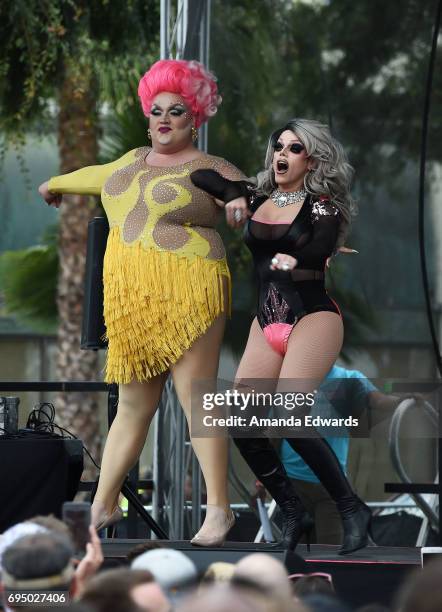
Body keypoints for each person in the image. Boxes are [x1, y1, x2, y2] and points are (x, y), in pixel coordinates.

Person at [38, 59, 245, 546]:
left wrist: (240, 204)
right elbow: (93, 175)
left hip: (190, 286)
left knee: (198, 398)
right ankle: (102, 505)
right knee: (132, 404)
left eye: (177, 110)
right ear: (147, 118)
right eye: (157, 111)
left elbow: (244, 195)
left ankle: (219, 511)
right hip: (130, 299)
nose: (165, 119)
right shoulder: (130, 160)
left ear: (195, 118)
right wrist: (56, 184)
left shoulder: (211, 167)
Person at [190, 118, 371, 555]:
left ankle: (350, 508)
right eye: (278, 147)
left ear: (312, 159)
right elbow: (202, 176)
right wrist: (234, 194)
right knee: (242, 418)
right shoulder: (259, 196)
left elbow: (318, 246)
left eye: (294, 148)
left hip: (313, 317)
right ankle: (292, 510)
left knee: (288, 415)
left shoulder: (323, 206)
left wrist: (296, 253)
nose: (282, 155)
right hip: (266, 322)